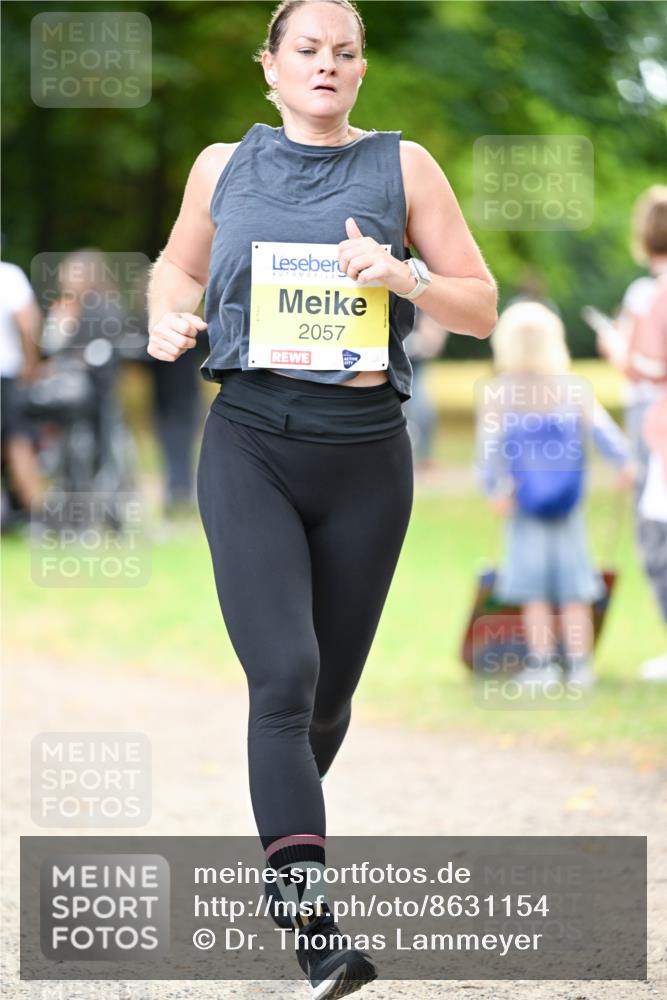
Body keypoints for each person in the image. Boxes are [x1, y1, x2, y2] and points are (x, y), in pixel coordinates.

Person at [147, 1, 497, 994]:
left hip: (365, 458)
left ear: (360, 69)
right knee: (286, 679)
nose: (326, 66)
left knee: (328, 699)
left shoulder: (404, 166)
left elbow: (480, 302)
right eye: (307, 50)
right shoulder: (223, 165)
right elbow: (176, 268)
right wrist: (168, 318)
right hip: (251, 441)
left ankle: (281, 827)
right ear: (270, 66)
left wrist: (404, 274)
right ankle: (311, 927)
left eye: (344, 53)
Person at [476, 301, 633, 691]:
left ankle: (543, 664)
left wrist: (493, 489)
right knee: (575, 587)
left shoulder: (500, 393)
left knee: (533, 590)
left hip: (522, 503)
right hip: (568, 504)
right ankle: (580, 665)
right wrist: (625, 465)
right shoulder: (571, 388)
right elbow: (605, 434)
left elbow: (488, 450)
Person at [591, 186, 667, 680]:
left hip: (654, 421)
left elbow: (643, 366)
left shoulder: (647, 295)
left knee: (655, 533)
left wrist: (612, 345)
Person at [0, 259, 44, 529]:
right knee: (19, 444)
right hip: (6, 373)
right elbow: (28, 323)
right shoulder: (9, 275)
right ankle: (38, 516)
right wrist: (32, 363)